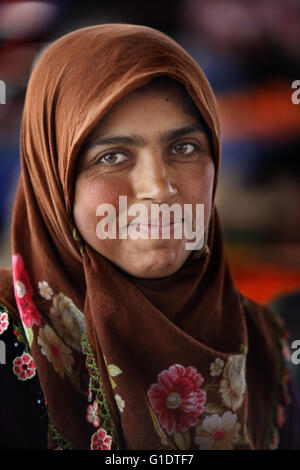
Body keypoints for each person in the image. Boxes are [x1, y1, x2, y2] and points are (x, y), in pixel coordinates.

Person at [0, 23, 299, 450]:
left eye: (183, 148)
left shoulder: (266, 344)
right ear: (54, 176)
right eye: (113, 156)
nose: (158, 187)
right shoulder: (7, 340)